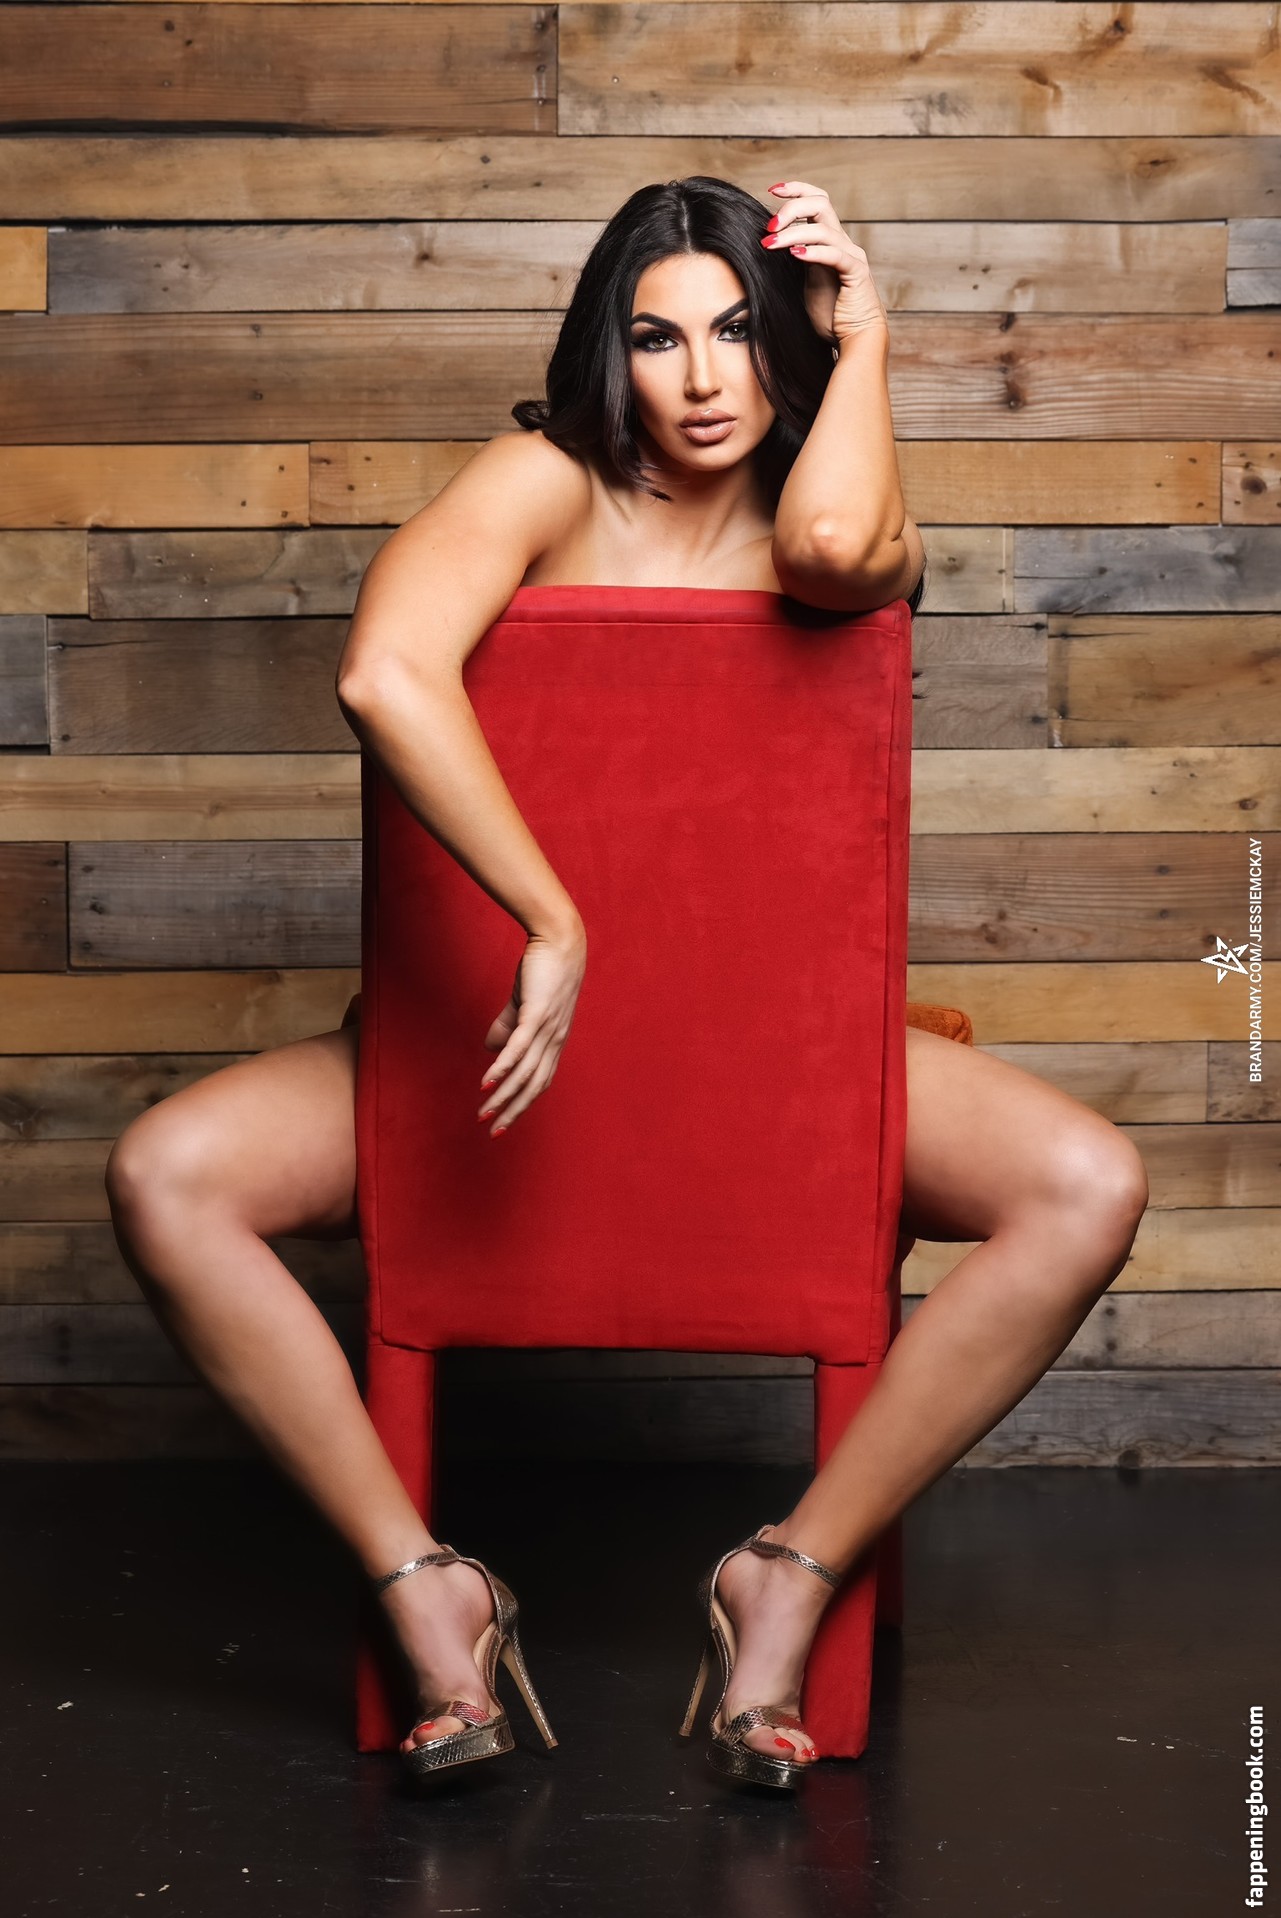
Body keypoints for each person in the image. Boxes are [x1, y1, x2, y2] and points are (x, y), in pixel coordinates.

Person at [105, 175, 1149, 1791]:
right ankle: (423, 1583)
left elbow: (824, 549)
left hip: (761, 1073)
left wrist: (866, 332)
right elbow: (384, 670)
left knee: (1085, 1185)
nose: (705, 378)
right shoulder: (543, 481)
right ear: (613, 352)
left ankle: (787, 1570)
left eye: (740, 331)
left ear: (789, 342)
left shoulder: (846, 511)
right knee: (166, 1175)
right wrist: (552, 918)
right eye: (659, 339)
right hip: (506, 1049)